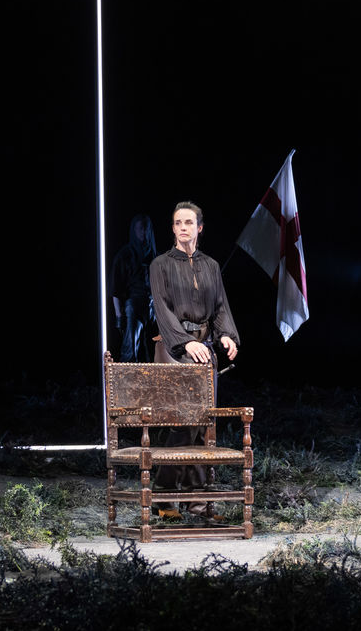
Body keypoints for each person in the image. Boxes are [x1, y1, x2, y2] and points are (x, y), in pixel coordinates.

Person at [149, 201, 240, 517]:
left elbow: (220, 307)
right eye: (178, 223)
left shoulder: (211, 265)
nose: (182, 227)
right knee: (183, 422)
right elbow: (162, 310)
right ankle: (163, 497)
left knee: (203, 425)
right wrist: (186, 343)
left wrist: (226, 335)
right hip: (173, 349)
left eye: (188, 222)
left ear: (199, 228)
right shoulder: (160, 264)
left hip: (205, 351)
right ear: (173, 228)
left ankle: (197, 502)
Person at [109, 214, 156, 362]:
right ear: (135, 230)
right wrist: (119, 316)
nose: (144, 232)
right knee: (130, 351)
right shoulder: (125, 255)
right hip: (133, 305)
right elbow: (115, 289)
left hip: (153, 307)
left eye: (146, 229)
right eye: (140, 229)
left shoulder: (154, 255)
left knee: (153, 350)